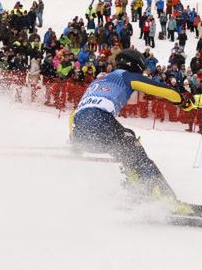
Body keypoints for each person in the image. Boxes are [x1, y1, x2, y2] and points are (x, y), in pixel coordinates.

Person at [69, 48, 195, 206]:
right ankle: (166, 200)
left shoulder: (99, 81)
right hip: (100, 121)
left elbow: (75, 113)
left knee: (128, 139)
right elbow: (164, 91)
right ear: (136, 65)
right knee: (135, 152)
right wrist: (182, 101)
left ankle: (136, 191)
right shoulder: (126, 76)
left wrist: (74, 141)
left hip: (81, 130)